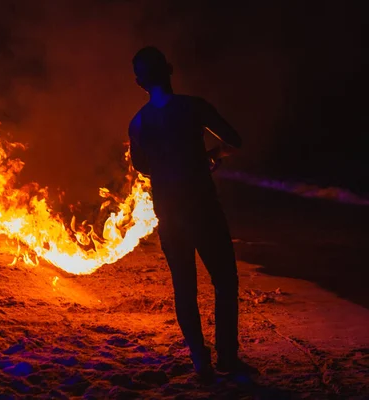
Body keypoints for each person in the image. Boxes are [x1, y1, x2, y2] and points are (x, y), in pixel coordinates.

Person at [128, 46, 253, 381]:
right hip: (202, 208)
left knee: (185, 287)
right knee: (224, 281)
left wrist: (168, 164)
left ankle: (200, 360)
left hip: (169, 213)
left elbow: (143, 168)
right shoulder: (194, 106)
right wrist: (210, 156)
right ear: (169, 69)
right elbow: (235, 140)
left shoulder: (138, 122)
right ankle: (227, 356)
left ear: (140, 82)